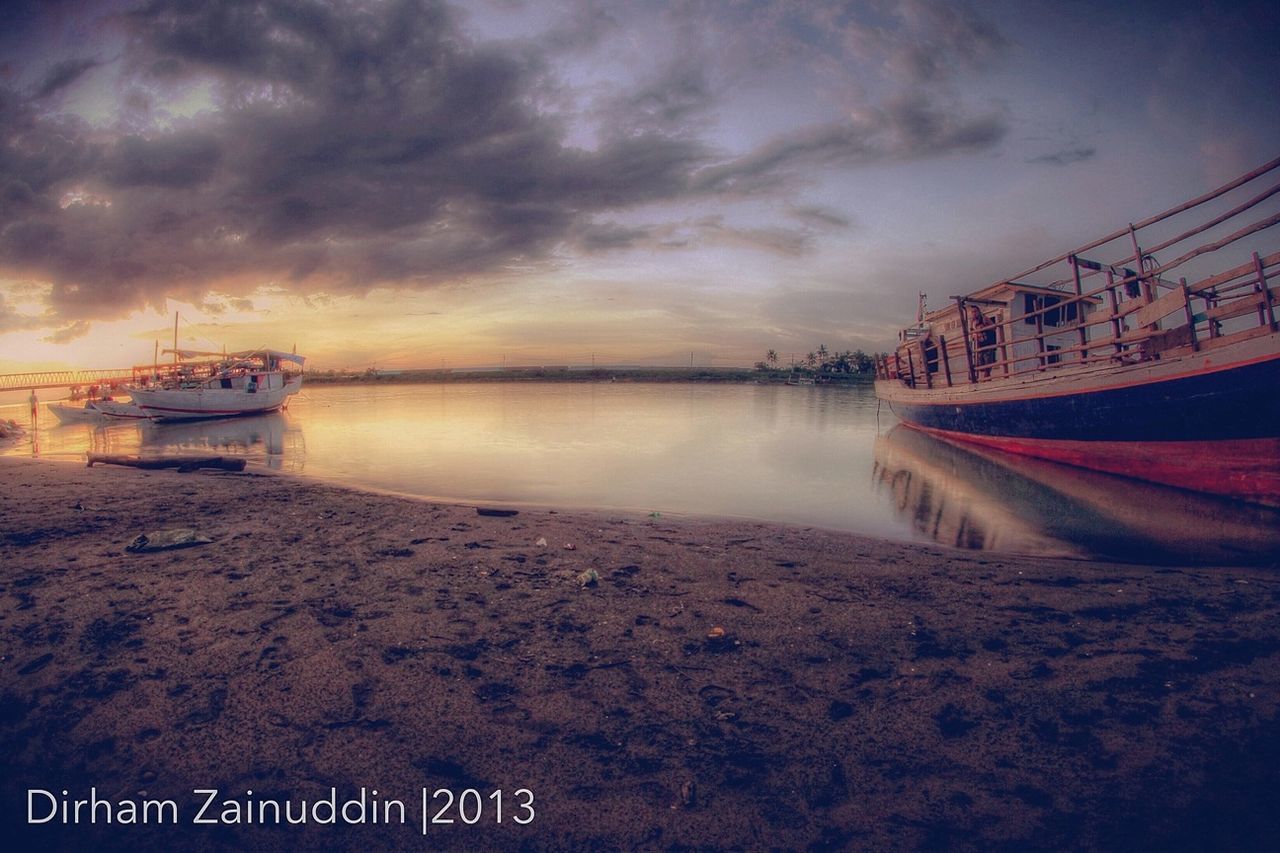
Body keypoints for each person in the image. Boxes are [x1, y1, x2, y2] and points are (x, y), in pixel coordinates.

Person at [968, 305, 996, 379]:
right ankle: (984, 377)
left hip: (987, 342)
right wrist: (974, 334)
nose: (974, 313)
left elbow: (994, 327)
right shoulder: (972, 322)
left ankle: (987, 379)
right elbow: (971, 331)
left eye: (975, 311)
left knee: (988, 363)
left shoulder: (984, 318)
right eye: (972, 312)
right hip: (979, 344)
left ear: (979, 312)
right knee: (980, 364)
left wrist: (984, 328)